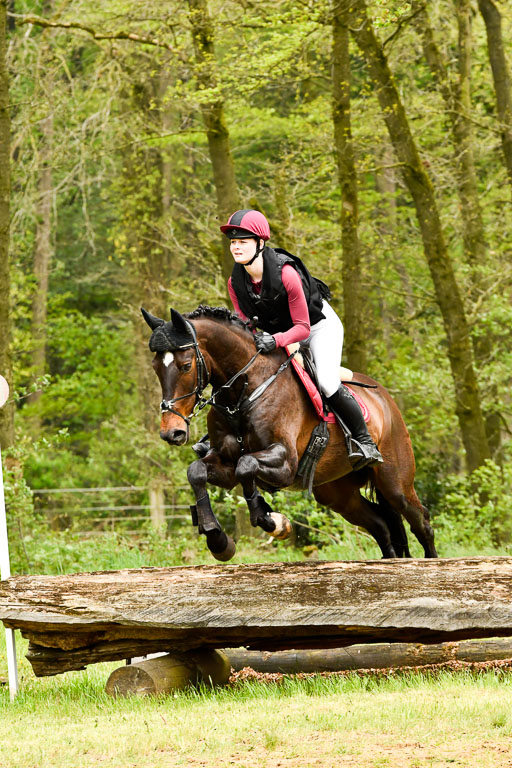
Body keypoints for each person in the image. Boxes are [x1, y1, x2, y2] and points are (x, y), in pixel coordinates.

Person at [221, 208, 383, 470]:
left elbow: (303, 329)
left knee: (327, 383)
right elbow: (246, 326)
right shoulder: (235, 283)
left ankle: (363, 440)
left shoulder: (286, 274)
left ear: (260, 244)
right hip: (282, 332)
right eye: (233, 242)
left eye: (243, 242)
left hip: (318, 327)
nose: (236, 248)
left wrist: (275, 341)